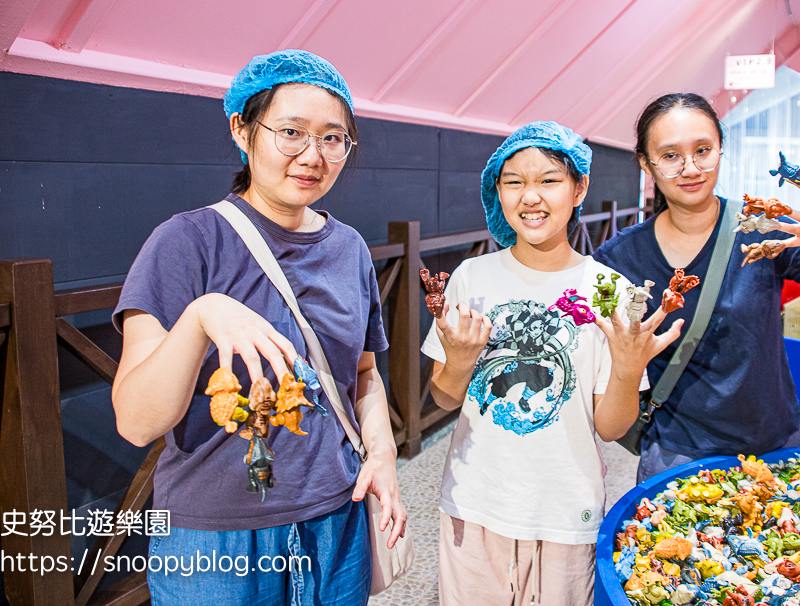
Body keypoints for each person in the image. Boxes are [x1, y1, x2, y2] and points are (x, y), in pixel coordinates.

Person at [111, 49, 405, 606]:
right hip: (214, 538)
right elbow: (135, 421)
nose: (311, 156)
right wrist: (201, 317)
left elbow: (363, 376)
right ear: (242, 130)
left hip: (335, 520)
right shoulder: (186, 242)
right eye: (290, 131)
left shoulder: (349, 249)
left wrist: (383, 457)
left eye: (332, 138)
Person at [421, 121, 684, 606]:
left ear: (579, 186)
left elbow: (611, 427)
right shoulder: (471, 277)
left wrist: (628, 369)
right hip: (474, 501)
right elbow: (442, 396)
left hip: (567, 511)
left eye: (548, 180)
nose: (530, 197)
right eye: (514, 182)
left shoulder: (611, 291)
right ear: (496, 191)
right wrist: (458, 362)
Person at [593, 93, 800, 482]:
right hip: (677, 453)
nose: (691, 168)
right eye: (670, 156)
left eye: (703, 150)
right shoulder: (618, 259)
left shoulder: (761, 227)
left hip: (775, 448)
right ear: (647, 164)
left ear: (720, 151)